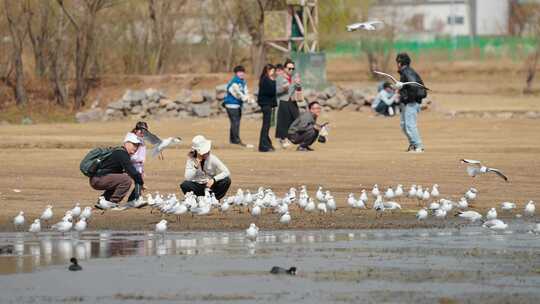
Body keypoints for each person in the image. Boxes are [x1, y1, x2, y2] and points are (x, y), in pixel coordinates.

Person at [90, 133, 144, 207]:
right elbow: (133, 173)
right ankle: (113, 202)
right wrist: (140, 182)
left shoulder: (121, 152)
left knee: (123, 177)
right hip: (99, 178)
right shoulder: (122, 154)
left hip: (98, 178)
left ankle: (104, 201)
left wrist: (138, 181)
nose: (136, 148)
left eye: (137, 145)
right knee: (126, 179)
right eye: (134, 144)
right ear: (126, 143)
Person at [180, 135, 231, 200]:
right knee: (185, 185)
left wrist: (214, 180)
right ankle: (196, 199)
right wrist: (196, 166)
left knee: (226, 180)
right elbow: (188, 178)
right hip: (198, 186)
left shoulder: (212, 158)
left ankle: (214, 199)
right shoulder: (191, 159)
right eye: (205, 152)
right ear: (196, 151)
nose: (207, 152)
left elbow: (227, 172)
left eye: (208, 150)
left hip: (211, 186)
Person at [396, 53, 426, 152]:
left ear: (400, 63)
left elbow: (414, 87)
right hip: (407, 102)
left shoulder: (408, 72)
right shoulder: (405, 72)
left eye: (397, 62)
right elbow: (407, 87)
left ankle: (419, 146)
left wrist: (407, 99)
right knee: (404, 125)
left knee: (410, 125)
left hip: (411, 103)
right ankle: (413, 145)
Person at [223, 65, 252, 147]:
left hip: (237, 105)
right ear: (236, 73)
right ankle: (236, 140)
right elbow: (238, 94)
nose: (241, 74)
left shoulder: (242, 81)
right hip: (231, 105)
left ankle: (233, 140)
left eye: (242, 72)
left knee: (235, 122)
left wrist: (248, 97)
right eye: (239, 72)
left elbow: (245, 91)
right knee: (235, 122)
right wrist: (247, 99)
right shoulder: (234, 82)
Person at [275, 59, 301, 148]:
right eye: (289, 68)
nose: (291, 70)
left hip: (292, 100)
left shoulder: (294, 77)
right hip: (283, 101)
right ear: (285, 68)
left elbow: (298, 89)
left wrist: (298, 84)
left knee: (297, 118)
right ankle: (283, 138)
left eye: (293, 69)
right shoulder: (279, 77)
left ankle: (292, 137)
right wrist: (283, 88)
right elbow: (276, 91)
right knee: (283, 121)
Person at [123, 121, 149, 203]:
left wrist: (142, 168)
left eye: (145, 132)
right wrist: (138, 160)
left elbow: (142, 153)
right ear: (136, 130)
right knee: (125, 182)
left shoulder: (141, 139)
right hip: (131, 164)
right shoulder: (131, 138)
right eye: (141, 131)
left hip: (138, 165)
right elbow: (129, 153)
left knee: (139, 182)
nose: (143, 134)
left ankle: (133, 200)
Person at [257, 64, 278, 152]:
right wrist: (274, 81)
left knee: (267, 125)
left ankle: (267, 143)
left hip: (268, 105)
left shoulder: (267, 79)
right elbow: (271, 91)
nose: (274, 72)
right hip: (266, 105)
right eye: (273, 71)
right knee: (266, 126)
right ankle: (263, 145)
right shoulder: (266, 80)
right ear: (268, 70)